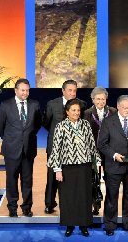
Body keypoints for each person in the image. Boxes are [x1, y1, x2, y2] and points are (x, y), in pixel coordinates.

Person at [47, 98, 101, 237]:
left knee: (84, 196)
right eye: (73, 110)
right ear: (67, 112)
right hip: (67, 168)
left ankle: (84, 225)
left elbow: (91, 145)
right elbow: (56, 149)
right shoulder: (60, 126)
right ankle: (69, 225)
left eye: (78, 110)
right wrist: (57, 169)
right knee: (68, 197)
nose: (76, 113)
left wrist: (97, 162)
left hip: (84, 166)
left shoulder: (86, 125)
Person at [0, 78, 41, 217]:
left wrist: (27, 137)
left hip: (28, 149)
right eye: (22, 90)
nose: (25, 93)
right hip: (11, 149)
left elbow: (37, 125)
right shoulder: (6, 105)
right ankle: (12, 207)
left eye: (27, 90)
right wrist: (10, 139)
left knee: (27, 180)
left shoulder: (35, 105)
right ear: (16, 90)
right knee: (11, 180)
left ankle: (27, 207)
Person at [98, 95, 128, 236]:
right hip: (114, 166)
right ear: (118, 107)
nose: (127, 110)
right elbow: (102, 144)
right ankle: (110, 224)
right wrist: (114, 155)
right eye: (124, 108)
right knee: (112, 196)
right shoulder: (108, 122)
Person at [43, 79, 86, 214]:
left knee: (70, 176)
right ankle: (49, 203)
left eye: (75, 90)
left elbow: (82, 124)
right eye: (70, 90)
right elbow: (46, 122)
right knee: (52, 175)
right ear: (63, 91)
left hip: (74, 149)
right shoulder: (52, 104)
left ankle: (70, 204)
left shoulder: (82, 104)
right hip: (54, 146)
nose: (72, 93)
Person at [84, 86, 117, 214]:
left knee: (110, 179)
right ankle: (95, 205)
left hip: (109, 151)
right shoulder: (87, 113)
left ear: (106, 99)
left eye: (103, 99)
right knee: (93, 180)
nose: (100, 102)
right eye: (98, 99)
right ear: (93, 100)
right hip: (93, 152)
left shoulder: (113, 112)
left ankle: (110, 207)